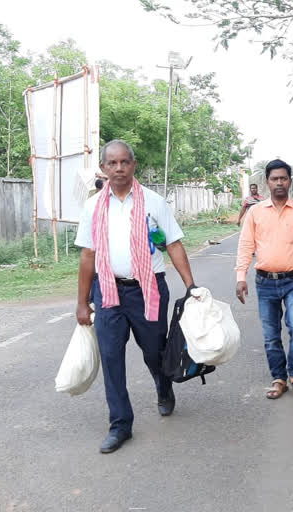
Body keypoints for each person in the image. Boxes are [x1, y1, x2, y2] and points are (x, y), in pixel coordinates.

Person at [74, 139, 196, 454]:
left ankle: (163, 384)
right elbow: (88, 255)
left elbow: (174, 244)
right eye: (111, 163)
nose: (118, 168)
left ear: (133, 165)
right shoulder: (92, 207)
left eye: (124, 162)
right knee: (112, 358)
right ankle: (120, 425)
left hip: (148, 289)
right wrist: (82, 301)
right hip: (108, 290)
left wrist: (191, 286)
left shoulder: (154, 202)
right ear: (103, 168)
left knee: (154, 351)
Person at [235, 159, 293, 401]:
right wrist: (241, 276)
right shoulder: (255, 212)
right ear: (267, 182)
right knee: (271, 335)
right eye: (275, 179)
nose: (279, 182)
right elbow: (246, 246)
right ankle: (279, 378)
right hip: (265, 283)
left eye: (284, 178)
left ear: (290, 181)